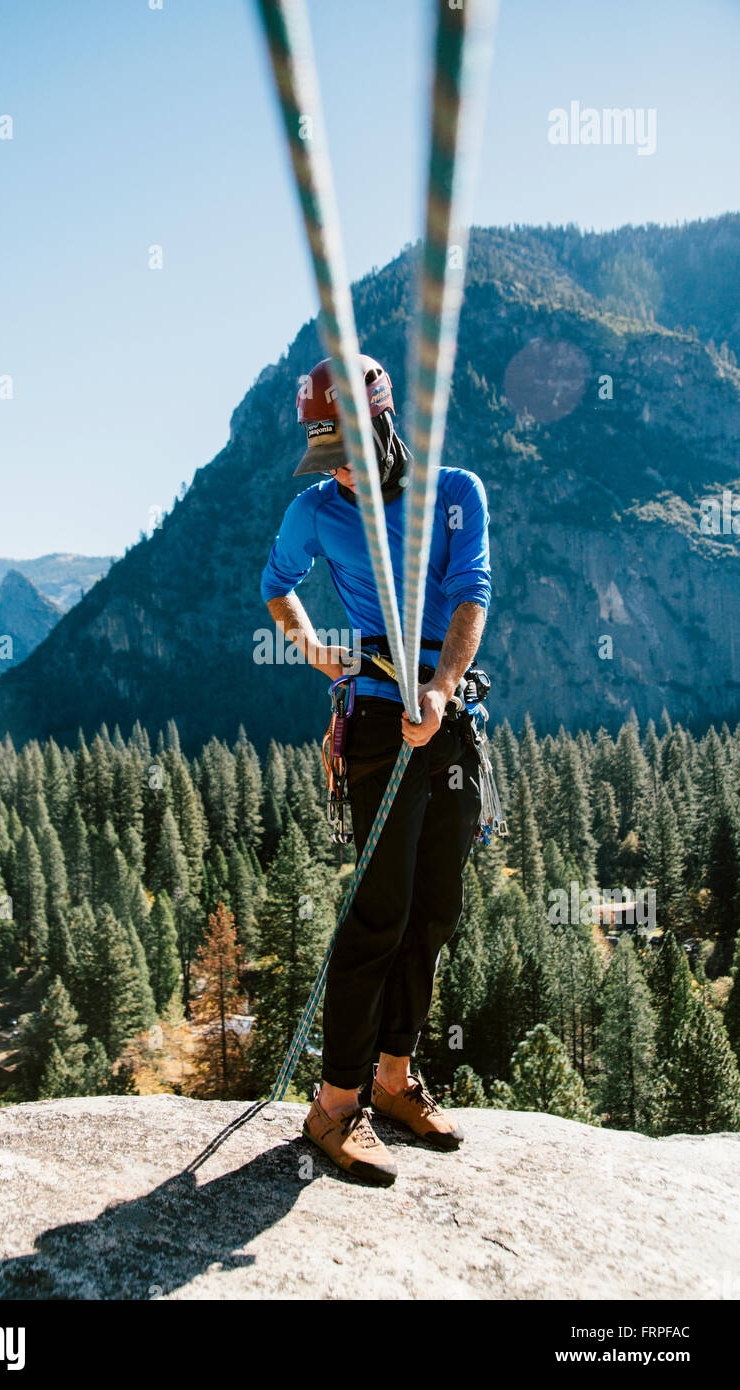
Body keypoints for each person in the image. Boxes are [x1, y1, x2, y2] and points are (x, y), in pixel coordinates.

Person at [260, 354, 491, 1186]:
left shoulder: (455, 492)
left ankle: (394, 1079)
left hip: (446, 717)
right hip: (374, 722)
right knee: (378, 914)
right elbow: (276, 585)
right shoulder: (316, 509)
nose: (344, 475)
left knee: (434, 911)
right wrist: (319, 651)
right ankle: (333, 1104)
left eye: (353, 453)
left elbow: (472, 594)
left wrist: (440, 687)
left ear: (387, 426)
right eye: (331, 460)